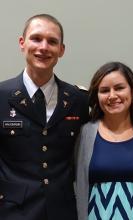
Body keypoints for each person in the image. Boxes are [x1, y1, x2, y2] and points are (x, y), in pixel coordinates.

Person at [0, 14, 89, 220]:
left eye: (52, 41)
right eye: (36, 38)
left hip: (63, 212)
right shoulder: (2, 96)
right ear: (22, 43)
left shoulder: (79, 100)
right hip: (12, 212)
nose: (43, 47)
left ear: (61, 50)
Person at [75, 61, 133, 220]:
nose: (112, 96)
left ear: (132, 92)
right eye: (105, 90)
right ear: (97, 96)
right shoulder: (85, 134)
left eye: (119, 88)